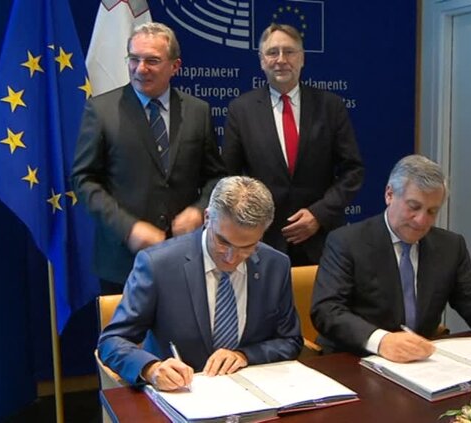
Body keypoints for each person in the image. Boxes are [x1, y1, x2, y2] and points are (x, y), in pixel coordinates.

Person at [310, 155, 471, 363]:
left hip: (420, 363)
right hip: (355, 358)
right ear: (389, 195)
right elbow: (327, 310)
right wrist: (382, 340)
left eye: (432, 211)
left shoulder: (450, 246)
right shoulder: (347, 241)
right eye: (413, 207)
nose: (421, 220)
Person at [98, 176, 303, 390]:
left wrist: (244, 356)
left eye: (247, 247)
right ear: (207, 218)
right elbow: (112, 342)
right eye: (223, 242)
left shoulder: (275, 265)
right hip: (180, 395)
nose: (231, 258)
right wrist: (151, 369)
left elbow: (290, 341)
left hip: (252, 394)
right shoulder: (158, 265)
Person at [72, 22, 226, 294]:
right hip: (123, 263)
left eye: (152, 61)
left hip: (185, 257)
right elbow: (84, 181)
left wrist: (198, 210)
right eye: (134, 59)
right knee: (125, 338)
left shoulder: (197, 111)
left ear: (174, 66)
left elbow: (216, 176)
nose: (140, 68)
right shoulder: (102, 110)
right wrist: (129, 228)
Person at [223, 23, 364, 266]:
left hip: (320, 240)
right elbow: (228, 178)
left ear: (302, 58)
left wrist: (318, 214)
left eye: (289, 52)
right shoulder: (241, 110)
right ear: (261, 60)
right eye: (272, 52)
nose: (281, 60)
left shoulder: (330, 106)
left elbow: (353, 171)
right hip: (261, 242)